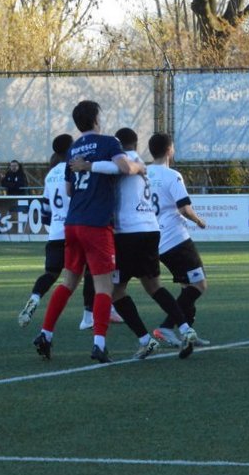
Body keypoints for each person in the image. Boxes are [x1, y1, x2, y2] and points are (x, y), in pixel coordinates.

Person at [32, 100, 145, 364]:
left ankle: (45, 334)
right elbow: (126, 167)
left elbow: (69, 189)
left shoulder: (73, 148)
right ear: (96, 118)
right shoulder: (108, 142)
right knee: (104, 286)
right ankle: (99, 344)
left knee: (68, 282)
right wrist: (140, 167)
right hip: (96, 223)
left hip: (72, 223)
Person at [73, 128, 199, 359]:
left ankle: (145, 339)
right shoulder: (139, 160)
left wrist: (87, 165)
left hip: (127, 233)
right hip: (150, 230)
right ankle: (185, 328)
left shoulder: (125, 161)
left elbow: (116, 168)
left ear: (118, 145)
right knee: (154, 286)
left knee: (115, 291)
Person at [17, 134, 96, 328]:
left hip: (55, 232)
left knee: (51, 273)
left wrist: (54, 225)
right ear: (71, 149)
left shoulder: (50, 175)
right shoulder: (76, 170)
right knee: (90, 271)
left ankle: (35, 297)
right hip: (77, 229)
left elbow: (45, 210)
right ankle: (88, 316)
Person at [146, 133, 211, 348]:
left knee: (186, 286)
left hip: (155, 239)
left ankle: (188, 333)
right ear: (169, 150)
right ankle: (166, 326)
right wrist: (199, 220)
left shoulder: (142, 173)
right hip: (175, 239)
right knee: (199, 284)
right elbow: (184, 208)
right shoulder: (172, 175)